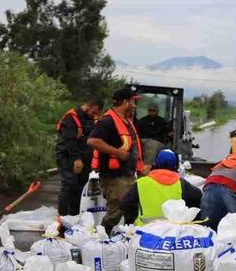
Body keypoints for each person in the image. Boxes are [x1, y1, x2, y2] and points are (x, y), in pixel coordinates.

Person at [87, 87, 145, 233]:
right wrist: (117, 153)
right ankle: (100, 239)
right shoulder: (107, 121)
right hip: (115, 178)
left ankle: (128, 238)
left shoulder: (125, 121)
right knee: (115, 213)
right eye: (133, 102)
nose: (134, 105)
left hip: (127, 175)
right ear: (125, 102)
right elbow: (92, 141)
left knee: (131, 210)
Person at [120, 149, 202, 225]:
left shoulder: (141, 183)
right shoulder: (181, 184)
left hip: (144, 231)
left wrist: (131, 219)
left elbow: (125, 204)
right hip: (172, 231)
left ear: (155, 164)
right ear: (175, 166)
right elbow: (198, 196)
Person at [55, 99, 104, 216]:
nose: (94, 116)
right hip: (68, 157)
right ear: (89, 105)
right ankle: (62, 217)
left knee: (80, 187)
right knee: (68, 186)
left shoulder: (91, 119)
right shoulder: (71, 118)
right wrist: (76, 159)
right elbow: (70, 141)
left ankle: (74, 216)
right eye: (93, 112)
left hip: (85, 157)